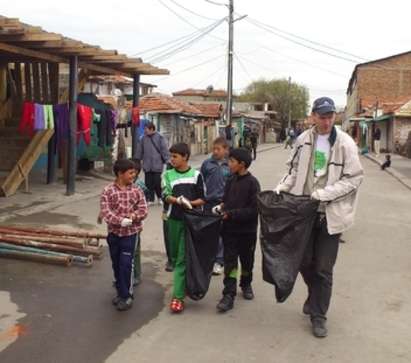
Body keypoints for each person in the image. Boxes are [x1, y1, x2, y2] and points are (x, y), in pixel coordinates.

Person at [275, 97, 364, 338]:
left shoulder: (345, 143)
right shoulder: (303, 140)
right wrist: (281, 187)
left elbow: (354, 178)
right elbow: (293, 170)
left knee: (324, 268)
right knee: (303, 261)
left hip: (331, 216)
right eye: (322, 116)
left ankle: (319, 316)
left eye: (330, 116)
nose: (326, 121)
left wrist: (324, 195)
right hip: (303, 212)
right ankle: (315, 296)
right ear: (313, 116)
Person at [214, 148, 261, 313]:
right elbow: (226, 200)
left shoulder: (253, 183)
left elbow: (254, 210)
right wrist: (220, 207)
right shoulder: (230, 180)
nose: (229, 164)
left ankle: (246, 284)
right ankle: (229, 294)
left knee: (247, 262)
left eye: (232, 161)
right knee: (230, 263)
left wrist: (231, 214)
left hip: (247, 232)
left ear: (242, 164)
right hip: (229, 231)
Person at [162, 143, 206, 313]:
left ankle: (178, 297)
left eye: (175, 156)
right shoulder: (167, 175)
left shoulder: (196, 175)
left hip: (192, 222)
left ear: (185, 157)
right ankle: (185, 284)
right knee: (174, 257)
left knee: (181, 259)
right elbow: (165, 195)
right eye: (171, 156)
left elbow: (203, 198)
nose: (172, 159)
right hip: (173, 220)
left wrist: (190, 204)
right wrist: (178, 201)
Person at [100, 159, 148, 311]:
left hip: (131, 234)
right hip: (114, 234)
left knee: (126, 264)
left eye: (134, 172)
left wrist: (133, 217)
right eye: (131, 173)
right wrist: (120, 221)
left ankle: (127, 296)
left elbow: (143, 210)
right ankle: (121, 293)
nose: (133, 175)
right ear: (120, 173)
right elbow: (105, 212)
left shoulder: (137, 190)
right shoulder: (108, 191)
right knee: (116, 263)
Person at [200, 137, 231, 276]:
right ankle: (208, 259)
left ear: (226, 150)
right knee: (209, 232)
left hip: (223, 203)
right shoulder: (207, 164)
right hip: (208, 203)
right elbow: (201, 181)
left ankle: (219, 261)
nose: (215, 151)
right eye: (214, 148)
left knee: (221, 233)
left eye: (218, 149)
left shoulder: (229, 165)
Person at [136, 122, 169, 205]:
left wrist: (167, 160)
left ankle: (159, 197)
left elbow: (164, 150)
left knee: (157, 182)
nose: (145, 131)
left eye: (146, 129)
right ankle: (150, 199)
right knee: (148, 183)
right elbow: (140, 150)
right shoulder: (143, 138)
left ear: (152, 129)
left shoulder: (160, 137)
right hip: (147, 164)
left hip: (157, 164)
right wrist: (137, 160)